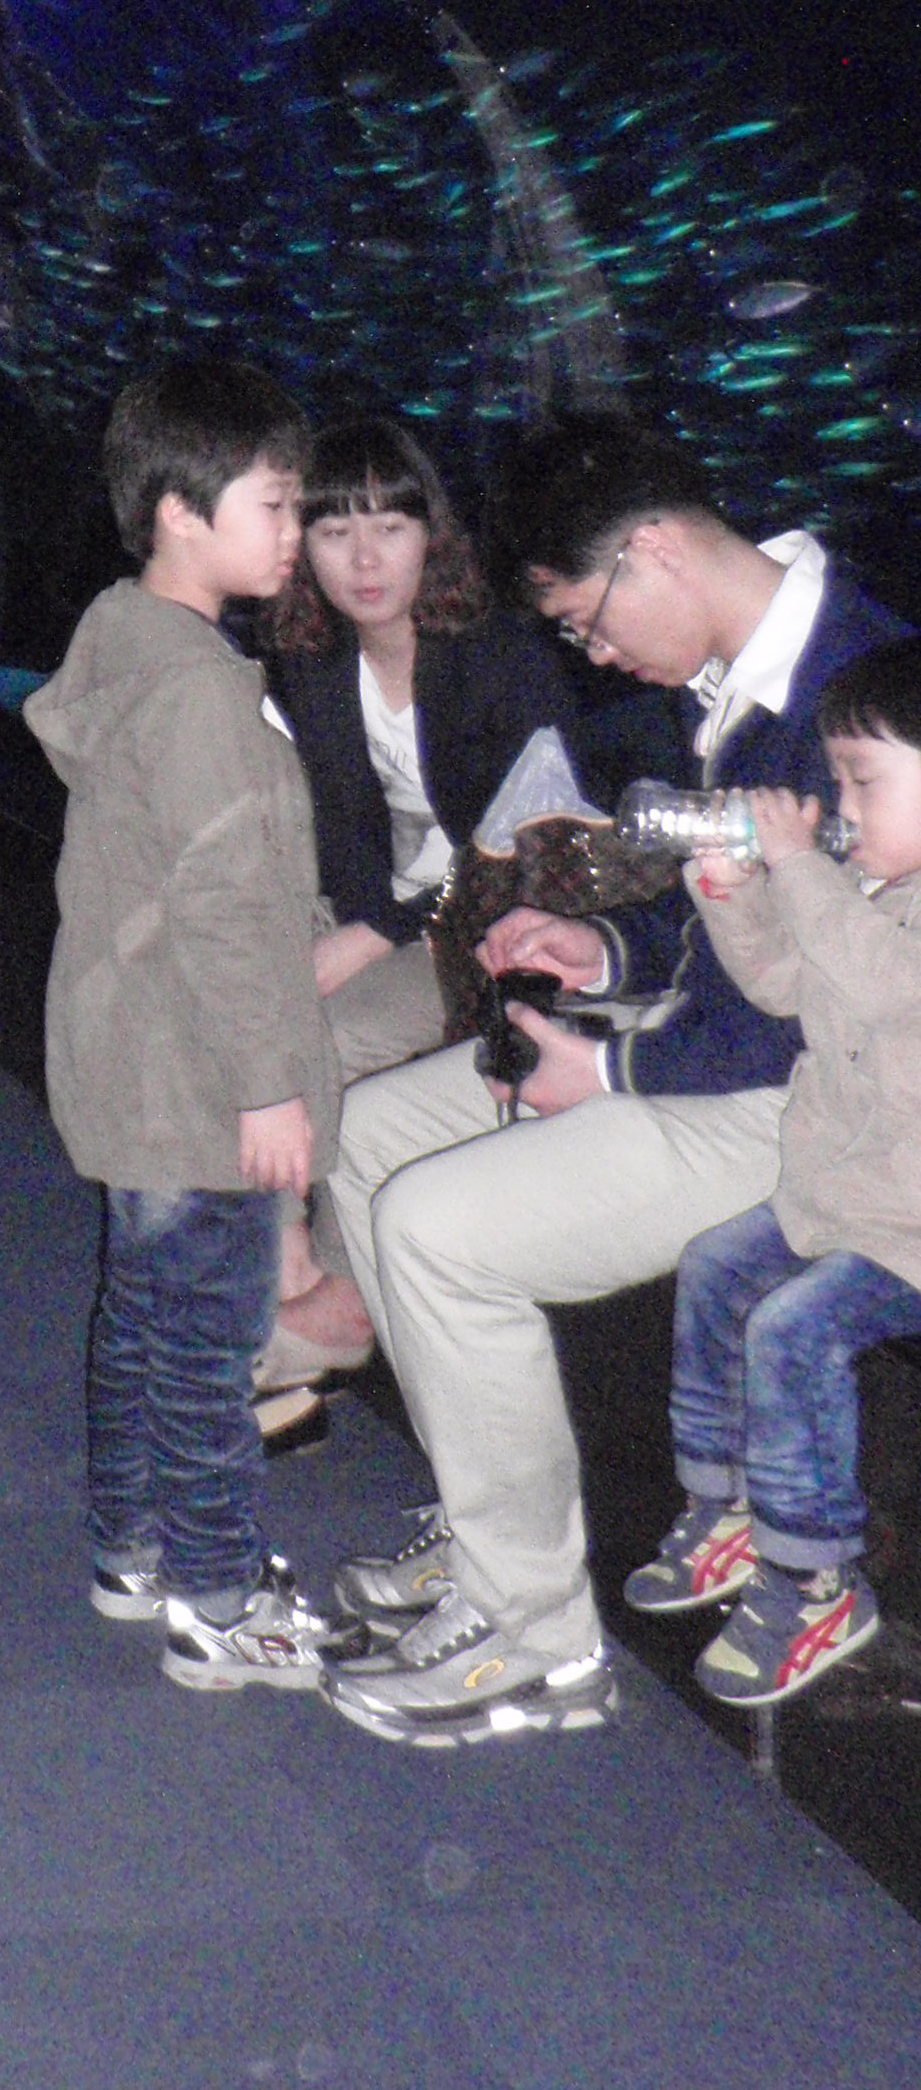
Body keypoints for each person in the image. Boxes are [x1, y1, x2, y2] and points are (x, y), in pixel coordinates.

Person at [319, 411, 903, 1748]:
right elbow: (723, 916)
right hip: (720, 1035)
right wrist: (606, 947)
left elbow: (845, 1008)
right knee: (365, 1135)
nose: (590, 653)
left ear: (652, 551)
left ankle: (533, 1638)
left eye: (584, 620)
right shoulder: (745, 679)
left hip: (825, 1102)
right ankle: (492, 1526)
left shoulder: (863, 692)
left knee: (435, 1226)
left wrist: (612, 1063)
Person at [24, 356, 350, 1693]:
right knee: (209, 1346)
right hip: (200, 1071)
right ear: (177, 509)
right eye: (275, 504)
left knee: (144, 1316)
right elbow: (225, 903)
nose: (296, 533)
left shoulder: (120, 634)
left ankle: (133, 1549)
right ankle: (217, 1597)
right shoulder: (204, 686)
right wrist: (270, 1084)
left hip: (132, 1048)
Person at [626, 641, 921, 1706]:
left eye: (865, 782)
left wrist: (797, 867)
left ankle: (813, 1577)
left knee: (794, 1330)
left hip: (910, 1233)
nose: (840, 806)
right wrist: (732, 892)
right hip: (845, 1200)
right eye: (836, 781)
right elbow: (786, 983)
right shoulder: (871, 890)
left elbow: (886, 985)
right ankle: (726, 1508)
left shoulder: (875, 910)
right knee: (717, 1267)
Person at [258, 417, 571, 1381]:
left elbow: (533, 853)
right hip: (390, 907)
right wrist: (348, 923)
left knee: (332, 1034)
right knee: (245, 997)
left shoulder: (500, 658)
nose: (363, 559)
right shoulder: (313, 658)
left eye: (389, 527)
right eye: (334, 529)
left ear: (431, 532)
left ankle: (337, 1298)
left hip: (494, 929)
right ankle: (283, 1265)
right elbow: (342, 831)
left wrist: (376, 932)